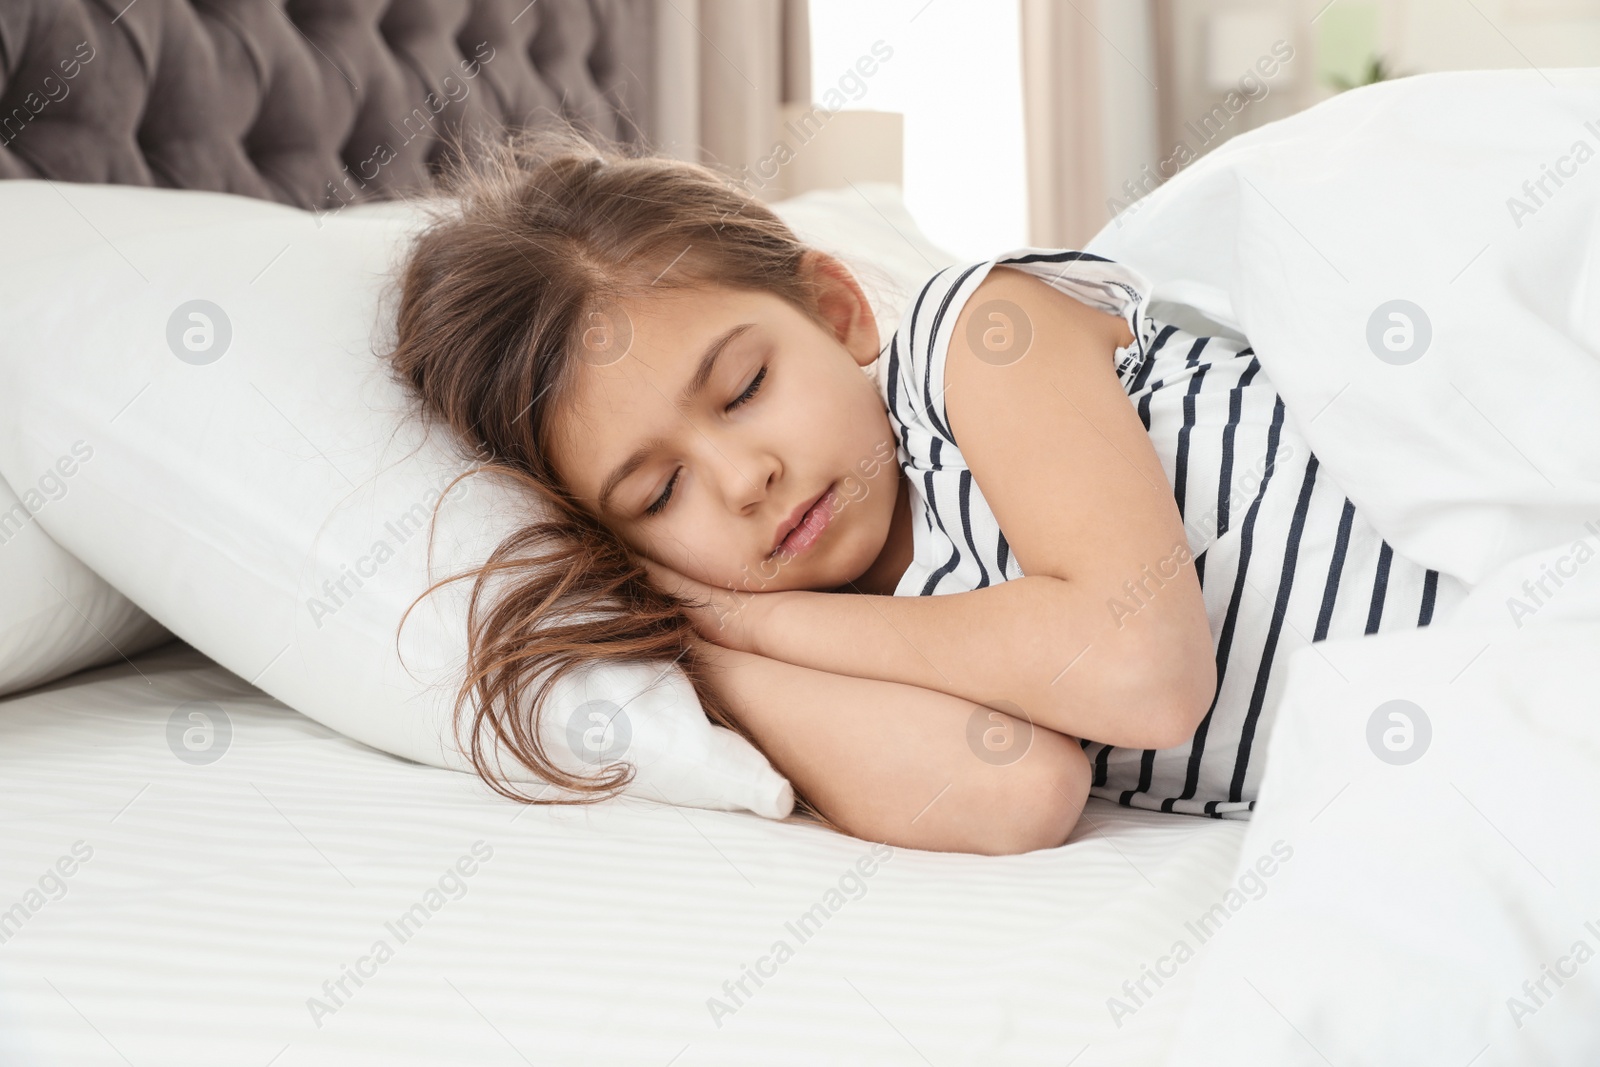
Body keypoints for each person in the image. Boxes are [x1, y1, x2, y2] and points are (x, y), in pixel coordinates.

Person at [381, 121, 1460, 856]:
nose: (743, 477)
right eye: (659, 495)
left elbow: (1144, 674)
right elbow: (1017, 793)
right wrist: (707, 636)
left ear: (836, 306)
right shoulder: (842, 633)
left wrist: (764, 619)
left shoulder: (975, 339)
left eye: (746, 386)